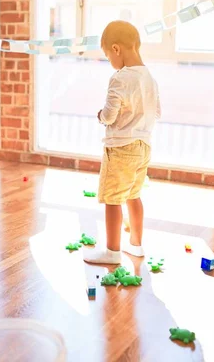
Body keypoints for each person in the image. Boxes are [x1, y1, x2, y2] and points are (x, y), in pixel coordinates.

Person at [84, 20, 161, 264]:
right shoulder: (150, 77)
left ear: (116, 49)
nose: (111, 62)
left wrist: (100, 115)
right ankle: (136, 246)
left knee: (112, 199)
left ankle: (112, 252)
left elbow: (109, 115)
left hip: (120, 148)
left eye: (108, 56)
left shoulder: (120, 78)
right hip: (144, 146)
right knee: (134, 195)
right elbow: (156, 113)